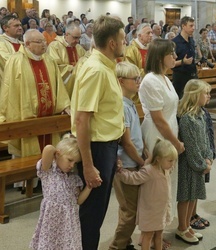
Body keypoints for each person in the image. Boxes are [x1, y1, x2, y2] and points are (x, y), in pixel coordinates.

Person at [70, 15, 126, 249]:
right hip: (96, 148)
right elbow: (83, 120)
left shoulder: (104, 66)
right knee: (91, 217)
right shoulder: (96, 70)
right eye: (123, 38)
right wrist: (89, 165)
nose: (126, 42)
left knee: (96, 214)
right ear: (112, 43)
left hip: (106, 147)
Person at [138, 38, 184, 250]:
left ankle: (158, 231)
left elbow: (170, 111)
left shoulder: (164, 78)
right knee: (154, 188)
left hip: (168, 132)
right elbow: (158, 118)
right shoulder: (150, 81)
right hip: (158, 136)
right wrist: (176, 143)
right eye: (171, 54)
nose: (175, 57)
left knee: (165, 185)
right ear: (159, 57)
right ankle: (147, 235)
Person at [0, 29, 70, 156]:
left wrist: (64, 105)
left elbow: (58, 86)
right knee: (28, 156)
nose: (44, 44)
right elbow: (9, 90)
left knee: (51, 158)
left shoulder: (49, 60)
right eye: (39, 42)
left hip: (50, 121)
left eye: (44, 41)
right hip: (27, 120)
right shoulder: (15, 61)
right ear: (27, 44)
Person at [109, 62, 150, 250]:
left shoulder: (130, 102)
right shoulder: (121, 105)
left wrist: (145, 152)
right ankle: (116, 246)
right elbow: (126, 142)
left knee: (128, 208)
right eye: (135, 79)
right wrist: (142, 162)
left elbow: (136, 134)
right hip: (126, 164)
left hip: (134, 161)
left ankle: (125, 242)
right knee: (130, 212)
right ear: (121, 81)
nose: (139, 82)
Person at [29, 137, 91, 250]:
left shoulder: (73, 179)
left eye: (75, 162)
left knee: (66, 245)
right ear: (58, 155)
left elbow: (78, 200)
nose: (72, 165)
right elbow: (48, 149)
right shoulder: (48, 171)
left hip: (68, 222)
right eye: (69, 160)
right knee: (49, 244)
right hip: (51, 222)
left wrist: (89, 187)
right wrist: (56, 152)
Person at [115, 139, 178, 250]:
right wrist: (121, 172)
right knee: (147, 236)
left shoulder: (166, 169)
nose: (173, 164)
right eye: (170, 161)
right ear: (158, 159)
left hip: (161, 210)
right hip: (150, 211)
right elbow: (133, 178)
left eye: (174, 161)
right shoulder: (149, 171)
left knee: (159, 234)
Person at [176, 79, 213, 245]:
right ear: (195, 95)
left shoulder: (201, 114)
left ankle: (188, 225)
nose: (208, 96)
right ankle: (181, 227)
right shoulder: (187, 119)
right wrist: (202, 164)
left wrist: (208, 157)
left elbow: (205, 138)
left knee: (194, 196)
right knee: (186, 196)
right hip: (190, 164)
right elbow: (190, 145)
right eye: (205, 93)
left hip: (200, 162)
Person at [47, 23, 86, 97]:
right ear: (67, 35)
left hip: (78, 85)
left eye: (79, 38)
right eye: (75, 37)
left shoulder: (79, 48)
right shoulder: (54, 46)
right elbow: (54, 67)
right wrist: (74, 69)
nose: (77, 41)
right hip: (62, 87)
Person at [172, 16, 197, 98]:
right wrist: (183, 61)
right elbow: (170, 63)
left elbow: (192, 58)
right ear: (183, 26)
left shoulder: (191, 41)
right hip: (180, 77)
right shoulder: (175, 42)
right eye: (191, 26)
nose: (193, 28)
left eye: (194, 26)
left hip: (192, 75)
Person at [0, 15, 23, 90]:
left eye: (20, 25)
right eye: (16, 26)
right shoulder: (1, 42)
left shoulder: (23, 44)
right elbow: (7, 61)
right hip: (7, 84)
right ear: (5, 28)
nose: (20, 28)